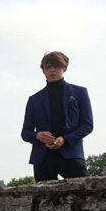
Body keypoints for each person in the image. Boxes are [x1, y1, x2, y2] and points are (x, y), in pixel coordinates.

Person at [21, 51, 94, 182]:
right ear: (43, 71)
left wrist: (64, 139)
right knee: (44, 201)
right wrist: (38, 136)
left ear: (64, 68)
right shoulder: (34, 100)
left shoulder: (80, 93)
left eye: (56, 66)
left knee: (82, 198)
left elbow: (87, 125)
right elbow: (25, 133)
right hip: (43, 157)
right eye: (48, 67)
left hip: (71, 154)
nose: (52, 70)